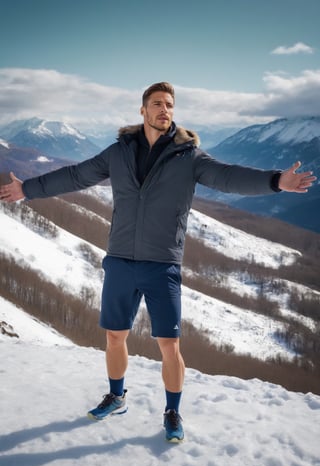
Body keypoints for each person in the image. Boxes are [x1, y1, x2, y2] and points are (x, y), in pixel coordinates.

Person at [0, 82, 316, 442]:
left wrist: (276, 181)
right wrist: (28, 189)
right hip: (119, 260)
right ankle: (116, 396)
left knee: (169, 345)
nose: (164, 109)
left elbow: (229, 177)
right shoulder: (118, 153)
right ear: (143, 111)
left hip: (161, 265)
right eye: (157, 104)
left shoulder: (189, 156)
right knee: (115, 336)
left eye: (169, 104)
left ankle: (172, 412)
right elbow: (76, 175)